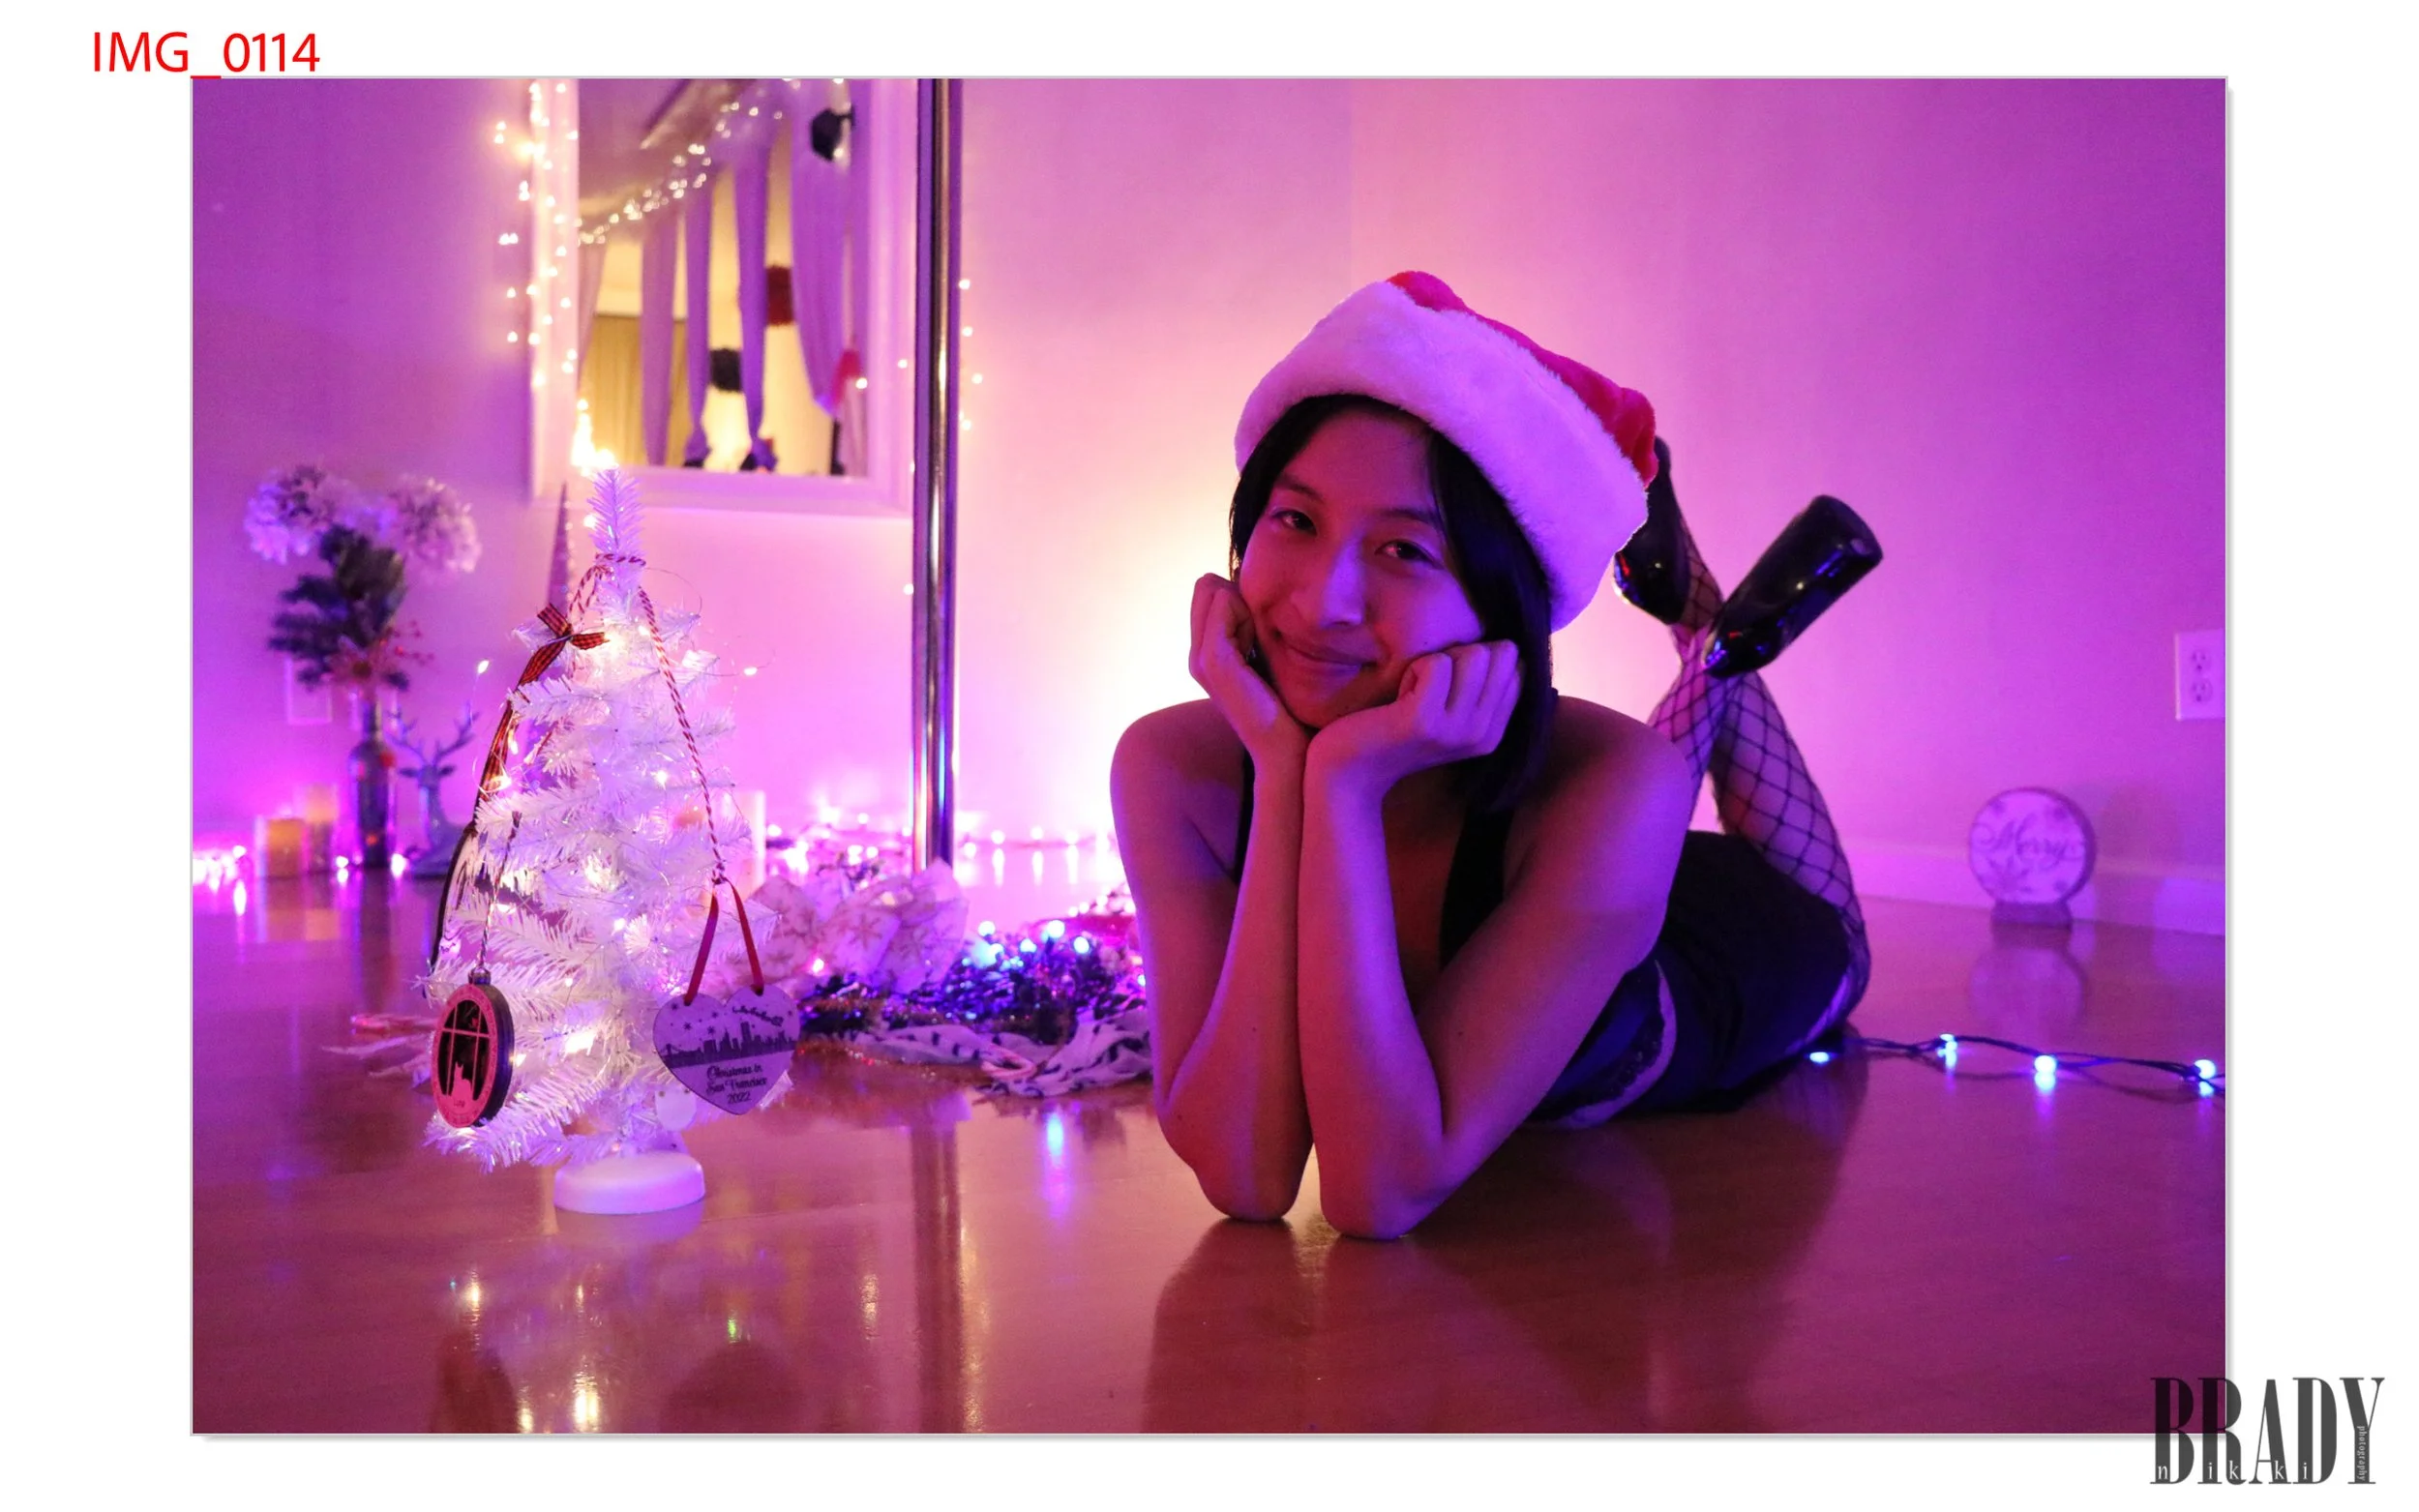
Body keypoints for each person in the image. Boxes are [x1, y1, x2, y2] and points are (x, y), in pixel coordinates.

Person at [1110, 273, 1883, 1239]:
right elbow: (1245, 1172)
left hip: (1723, 953)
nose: (1322, 602)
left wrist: (1342, 787)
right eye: (1295, 520)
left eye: (1405, 552)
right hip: (1591, 876)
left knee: (1839, 935)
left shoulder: (1614, 779)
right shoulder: (1173, 767)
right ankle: (1697, 612)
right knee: (1636, 804)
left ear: (1501, 603)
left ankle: (1705, 631)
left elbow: (1378, 1190)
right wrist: (1282, 770)